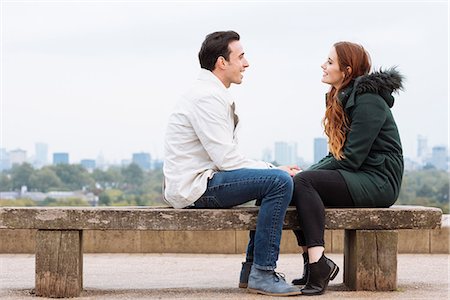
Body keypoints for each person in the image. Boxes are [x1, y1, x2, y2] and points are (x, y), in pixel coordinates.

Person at [163, 30, 301, 296]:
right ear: (221, 62)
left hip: (202, 181)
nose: (246, 63)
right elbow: (227, 160)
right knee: (279, 182)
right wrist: (275, 169)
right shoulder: (206, 96)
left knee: (271, 182)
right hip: (196, 187)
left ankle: (252, 271)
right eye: (241, 57)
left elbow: (227, 157)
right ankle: (262, 273)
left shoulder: (211, 93)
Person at [289, 41, 404, 295]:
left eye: (330, 62)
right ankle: (313, 263)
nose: (323, 65)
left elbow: (350, 158)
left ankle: (320, 265)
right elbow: (336, 153)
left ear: (347, 70)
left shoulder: (369, 101)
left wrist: (305, 176)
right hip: (359, 174)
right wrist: (304, 173)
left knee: (303, 182)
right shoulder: (340, 96)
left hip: (379, 180)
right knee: (293, 185)